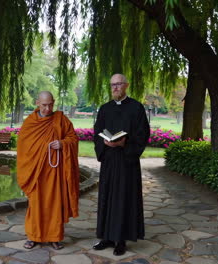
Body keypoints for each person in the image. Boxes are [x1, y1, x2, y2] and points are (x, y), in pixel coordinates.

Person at [92, 73, 150, 256]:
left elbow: (143, 134)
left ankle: (121, 240)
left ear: (126, 85)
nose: (115, 88)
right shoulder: (105, 109)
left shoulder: (136, 108)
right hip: (109, 160)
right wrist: (105, 144)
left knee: (124, 199)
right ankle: (106, 237)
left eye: (118, 84)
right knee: (107, 198)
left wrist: (125, 143)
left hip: (127, 162)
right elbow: (97, 133)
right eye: (112, 85)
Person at [17, 91, 79, 250]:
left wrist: (63, 144)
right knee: (36, 205)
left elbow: (73, 138)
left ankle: (54, 237)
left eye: (50, 104)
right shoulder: (30, 122)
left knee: (54, 204)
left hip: (55, 172)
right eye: (44, 105)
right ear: (37, 103)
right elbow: (24, 147)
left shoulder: (61, 120)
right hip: (36, 173)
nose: (47, 108)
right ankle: (33, 236)